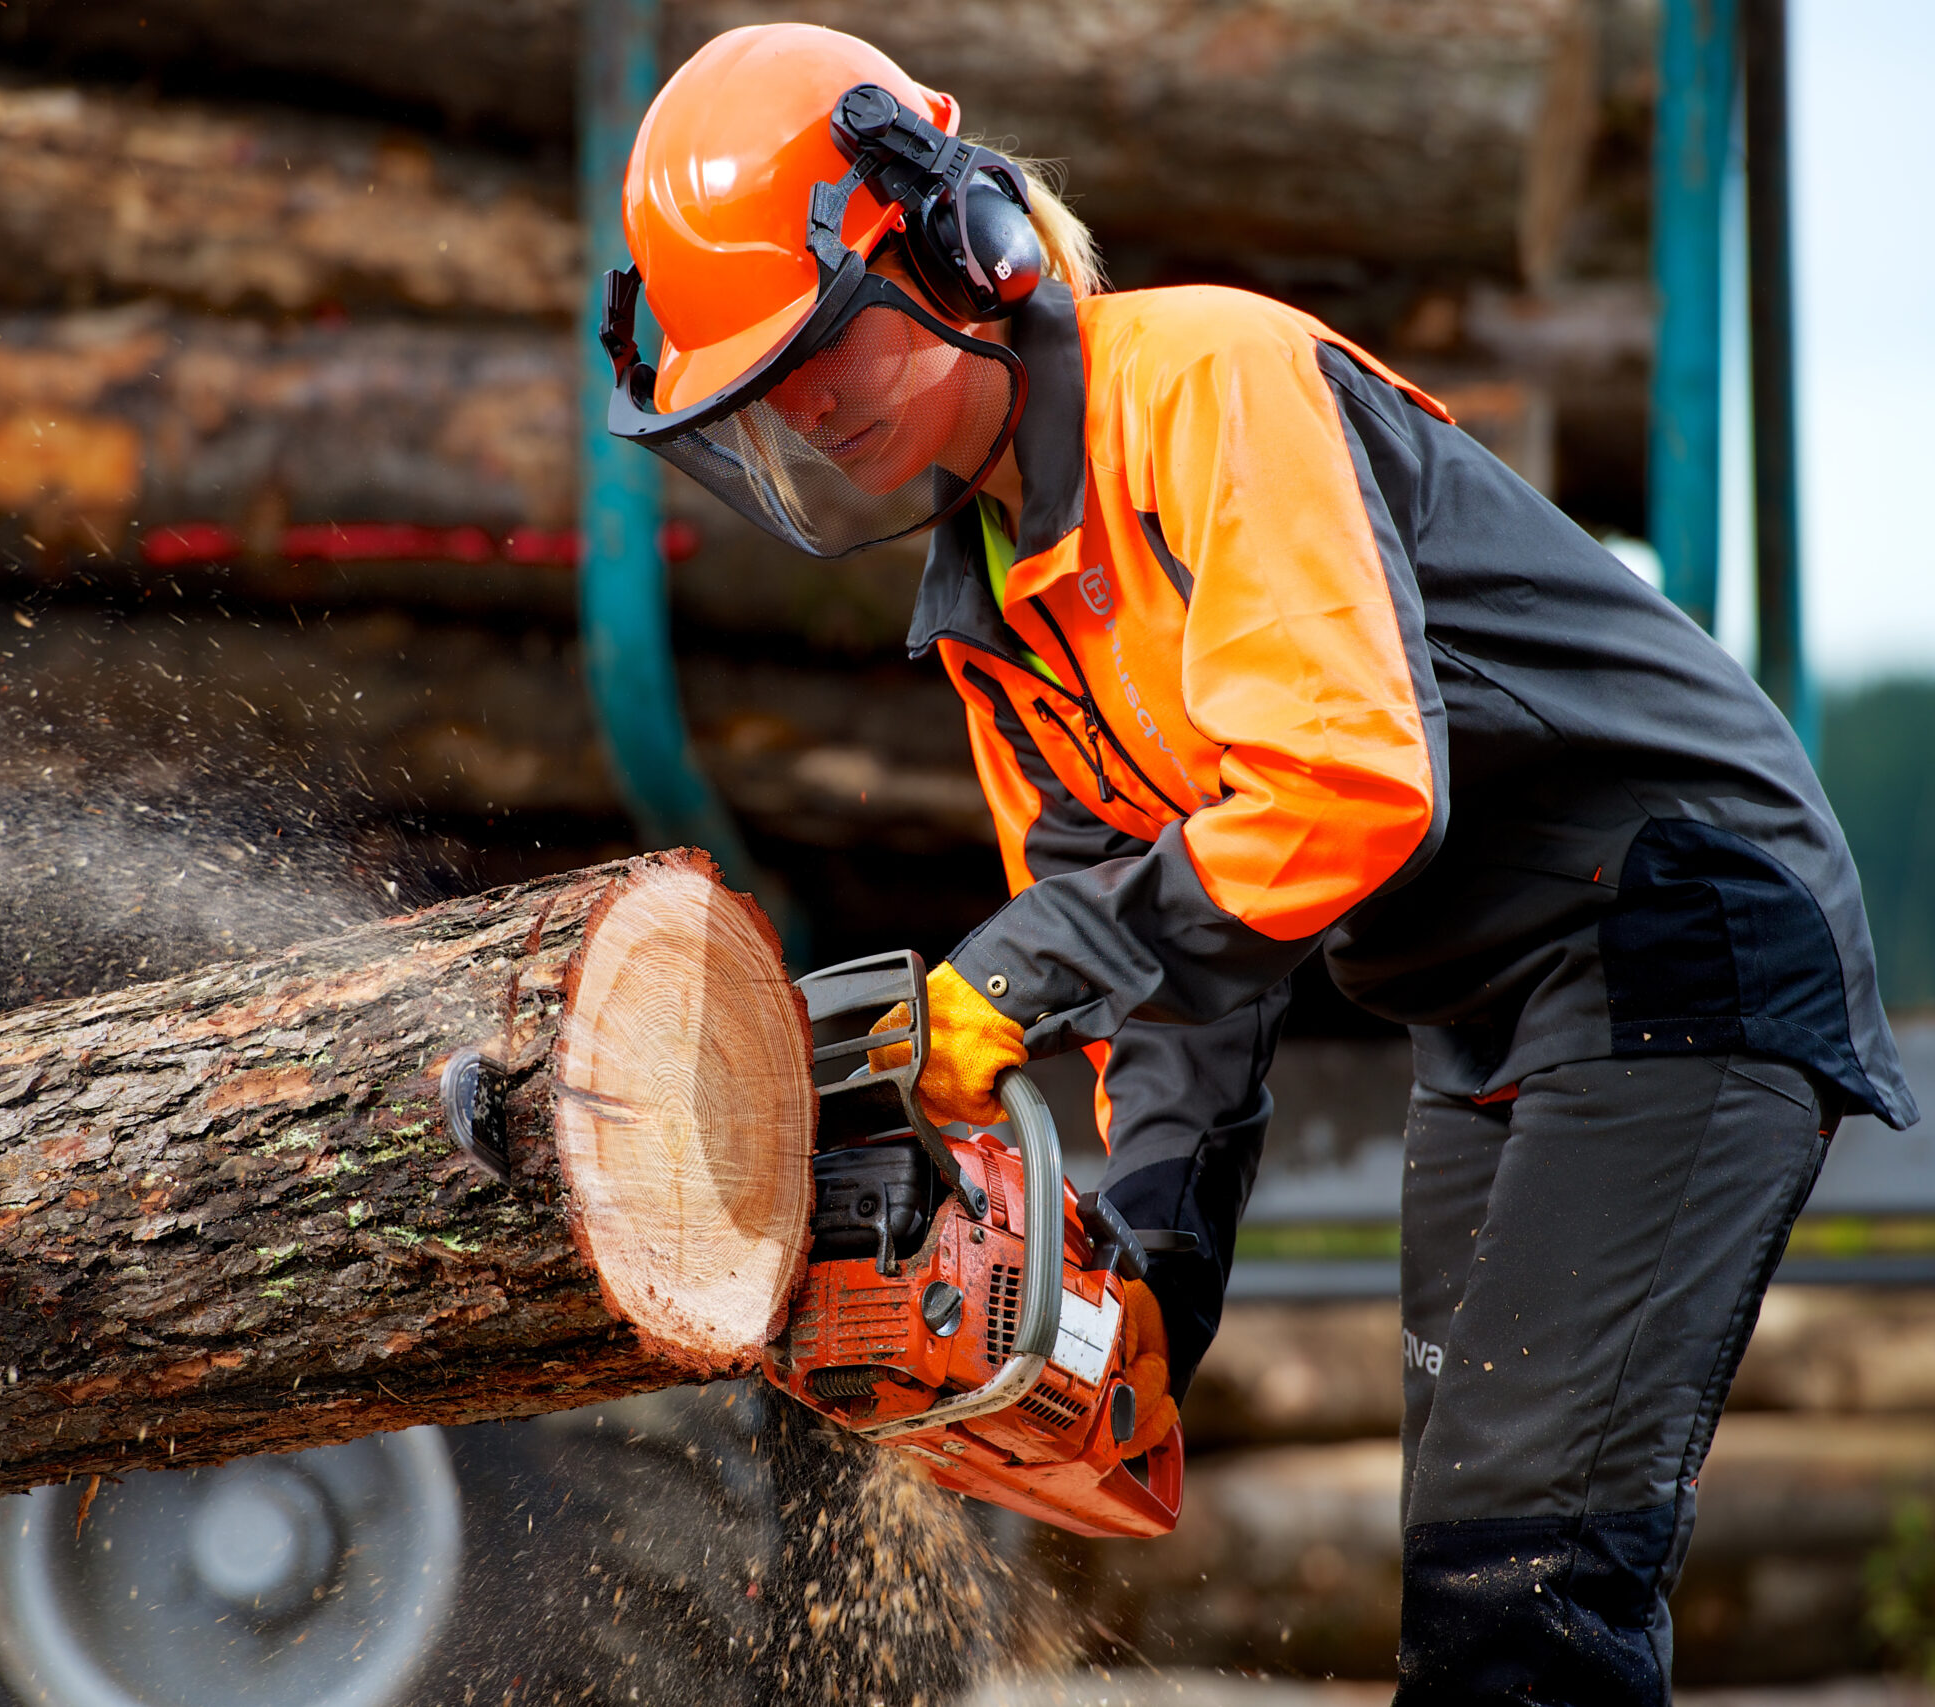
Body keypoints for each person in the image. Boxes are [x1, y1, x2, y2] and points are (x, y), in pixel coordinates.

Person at [597, 22, 1919, 1704]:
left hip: (1678, 932)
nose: (803, 403)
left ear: (952, 248)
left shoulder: (1208, 389)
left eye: (815, 348)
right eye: (757, 392)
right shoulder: (1001, 618)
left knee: (1527, 1578)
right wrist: (1141, 1284)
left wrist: (1013, 973)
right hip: (1494, 1008)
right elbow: (1176, 989)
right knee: (1474, 1562)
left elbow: (1355, 784)